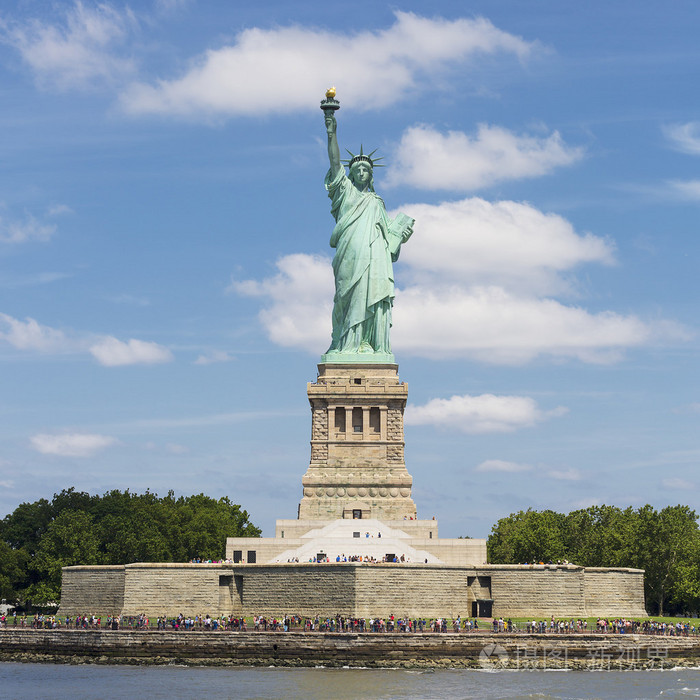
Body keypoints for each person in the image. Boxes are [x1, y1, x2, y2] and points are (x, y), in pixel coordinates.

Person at [323, 110, 413, 357]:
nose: (361, 172)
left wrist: (399, 236)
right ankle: (344, 343)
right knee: (347, 297)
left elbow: (389, 241)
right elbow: (333, 162)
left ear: (371, 175)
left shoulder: (377, 202)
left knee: (371, 294)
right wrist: (331, 131)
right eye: (357, 169)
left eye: (366, 169)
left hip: (375, 257)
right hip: (350, 253)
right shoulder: (344, 194)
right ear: (349, 174)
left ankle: (368, 344)